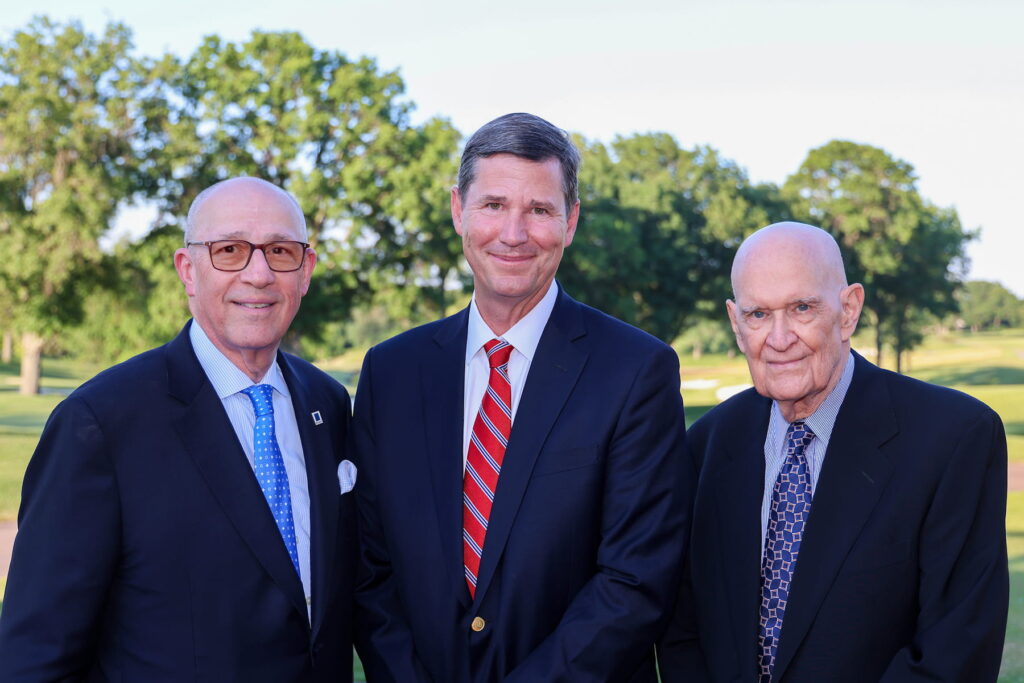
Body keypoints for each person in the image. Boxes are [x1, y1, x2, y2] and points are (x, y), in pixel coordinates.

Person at [352, 112, 689, 682]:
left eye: (539, 210)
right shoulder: (391, 373)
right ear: (459, 210)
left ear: (571, 221)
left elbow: (634, 581)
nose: (513, 233)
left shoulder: (636, 372)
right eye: (493, 205)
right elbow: (369, 569)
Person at [0, 177, 356, 682]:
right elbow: (35, 656)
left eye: (280, 251)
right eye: (229, 250)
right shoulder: (99, 424)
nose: (258, 274)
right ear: (188, 269)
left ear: (306, 271)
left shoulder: (327, 404)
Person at [658, 222, 1008, 682]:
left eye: (801, 308)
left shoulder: (954, 438)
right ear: (736, 324)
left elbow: (955, 652)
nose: (779, 338)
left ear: (848, 310)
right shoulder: (705, 446)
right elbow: (683, 630)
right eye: (758, 314)